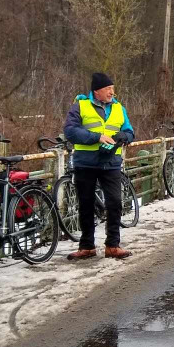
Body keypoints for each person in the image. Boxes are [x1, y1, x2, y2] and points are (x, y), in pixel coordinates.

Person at [63, 72, 135, 260]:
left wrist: (123, 137)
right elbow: (70, 131)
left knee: (115, 203)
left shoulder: (119, 108)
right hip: (85, 163)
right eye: (108, 88)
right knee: (85, 204)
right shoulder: (80, 106)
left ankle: (113, 245)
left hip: (111, 163)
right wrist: (96, 137)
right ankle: (87, 246)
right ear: (97, 91)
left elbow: (129, 131)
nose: (112, 92)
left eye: (113, 88)